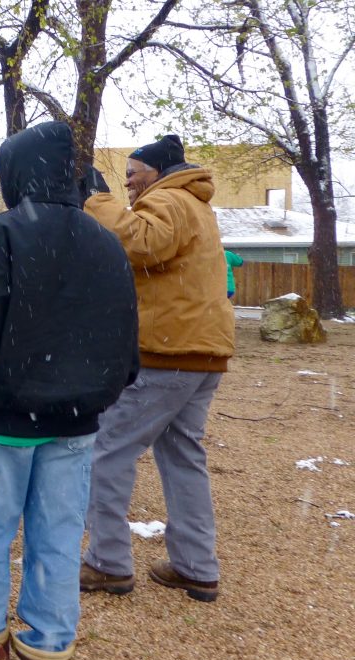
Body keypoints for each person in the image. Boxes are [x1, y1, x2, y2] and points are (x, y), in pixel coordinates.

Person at [0, 121, 139, 660]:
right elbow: (126, 342)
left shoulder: (1, 235)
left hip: (2, 422)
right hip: (73, 423)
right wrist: (94, 393)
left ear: (17, 174)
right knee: (56, 540)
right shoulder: (105, 243)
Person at [80, 134, 235, 604]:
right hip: (202, 354)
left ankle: (107, 563)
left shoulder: (168, 198)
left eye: (133, 173)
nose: (128, 182)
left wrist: (97, 199)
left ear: (158, 170)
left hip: (168, 354)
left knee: (106, 451)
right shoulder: (195, 204)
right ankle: (195, 566)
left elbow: (142, 244)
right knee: (183, 457)